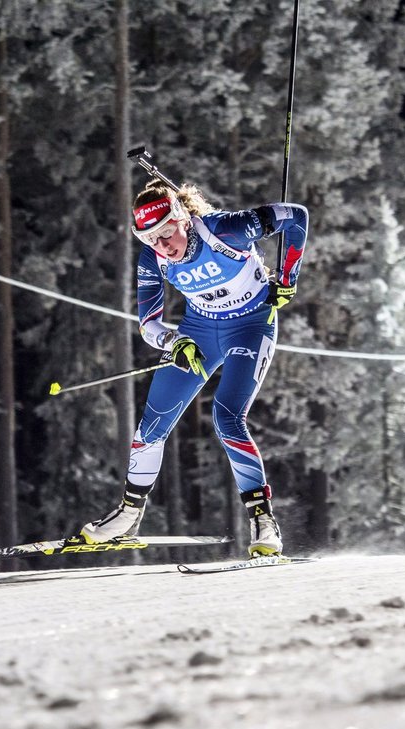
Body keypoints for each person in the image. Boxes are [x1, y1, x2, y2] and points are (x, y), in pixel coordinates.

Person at [80, 178, 308, 556]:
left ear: (183, 219)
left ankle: (263, 521)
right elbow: (148, 324)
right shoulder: (153, 257)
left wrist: (287, 279)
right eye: (151, 239)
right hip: (199, 332)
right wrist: (174, 341)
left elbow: (296, 217)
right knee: (151, 426)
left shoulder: (226, 229)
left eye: (167, 233)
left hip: (250, 327)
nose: (163, 246)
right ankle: (128, 515)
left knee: (227, 417)